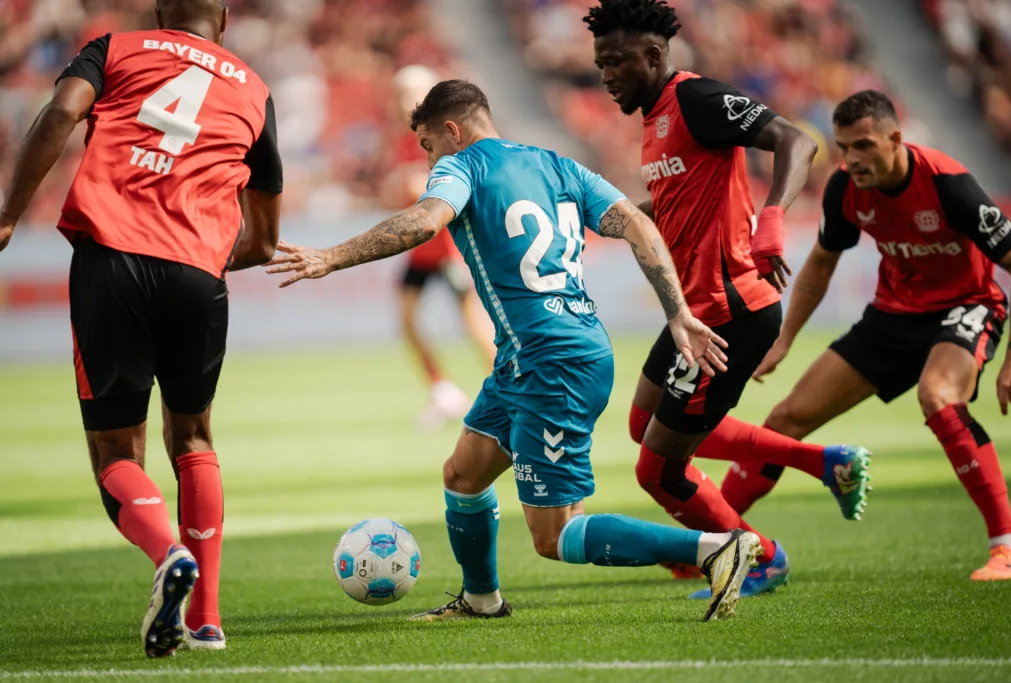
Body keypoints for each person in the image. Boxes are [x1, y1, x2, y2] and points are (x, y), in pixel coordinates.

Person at [267, 79, 765, 622]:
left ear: (452, 131)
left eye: (428, 145)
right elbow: (639, 225)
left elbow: (424, 220)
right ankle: (481, 599)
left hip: (553, 363)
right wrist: (676, 311)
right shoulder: (558, 166)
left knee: (556, 536)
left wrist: (331, 256)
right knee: (462, 474)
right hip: (535, 358)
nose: (428, 158)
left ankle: (715, 547)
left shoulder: (462, 166)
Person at [0, 0, 283, 656]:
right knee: (194, 434)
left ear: (160, 13)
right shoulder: (255, 89)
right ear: (225, 17)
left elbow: (62, 113)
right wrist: (202, 260)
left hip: (112, 262)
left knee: (117, 457)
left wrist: (10, 213)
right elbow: (264, 241)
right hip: (197, 275)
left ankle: (166, 552)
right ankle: (207, 618)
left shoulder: (116, 49)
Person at [584, 0, 871, 596]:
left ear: (654, 55)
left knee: (658, 471)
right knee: (643, 424)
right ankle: (826, 462)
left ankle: (759, 555)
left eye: (615, 62)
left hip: (731, 312)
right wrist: (596, 217)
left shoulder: (696, 99)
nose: (605, 75)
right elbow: (671, 208)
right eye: (599, 64)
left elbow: (796, 140)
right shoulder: (655, 117)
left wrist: (773, 218)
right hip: (695, 313)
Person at [720, 90, 1011, 581]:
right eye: (843, 147)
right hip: (892, 316)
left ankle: (1008, 547)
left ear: (896, 139)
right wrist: (785, 339)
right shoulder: (845, 188)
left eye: (863, 145)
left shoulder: (948, 183)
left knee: (938, 396)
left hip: (967, 306)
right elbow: (821, 262)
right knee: (786, 418)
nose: (852, 159)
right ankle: (710, 538)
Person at [389, 66, 496, 429]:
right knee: (406, 319)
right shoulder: (407, 136)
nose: (403, 101)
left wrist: (412, 184)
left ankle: (507, 386)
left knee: (473, 321)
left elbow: (446, 184)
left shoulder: (443, 134)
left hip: (448, 245)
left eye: (409, 94)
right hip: (422, 246)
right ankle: (442, 390)